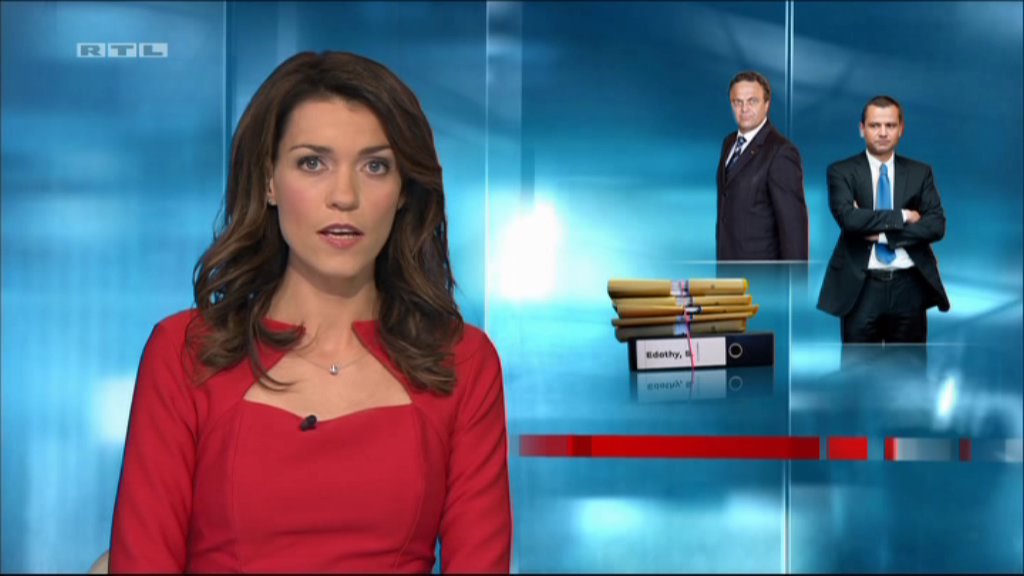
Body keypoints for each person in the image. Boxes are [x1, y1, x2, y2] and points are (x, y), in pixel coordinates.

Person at [108, 51, 512, 573]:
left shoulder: (462, 360)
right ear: (269, 181)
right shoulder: (185, 351)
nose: (344, 196)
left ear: (403, 191)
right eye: (312, 163)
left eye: (375, 166)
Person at [817, 95, 950, 343]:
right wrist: (904, 215)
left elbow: (936, 226)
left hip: (909, 286)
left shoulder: (920, 173)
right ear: (862, 129)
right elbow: (850, 220)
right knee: (857, 364)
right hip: (861, 287)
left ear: (901, 129)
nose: (882, 132)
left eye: (890, 125)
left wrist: (882, 235)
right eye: (875, 125)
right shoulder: (841, 171)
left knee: (910, 363)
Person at [716, 71, 809, 261]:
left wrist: (795, 278)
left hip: (763, 272)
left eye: (752, 101)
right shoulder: (729, 143)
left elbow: (793, 228)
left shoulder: (781, 151)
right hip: (728, 268)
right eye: (737, 102)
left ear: (767, 104)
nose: (744, 109)